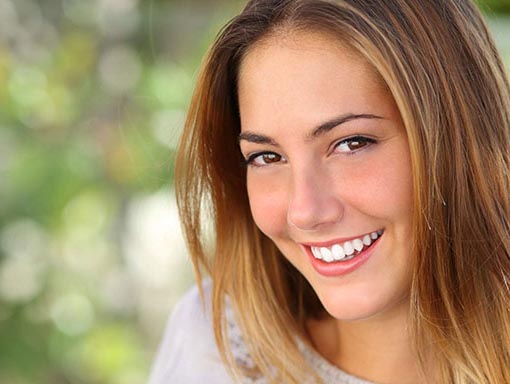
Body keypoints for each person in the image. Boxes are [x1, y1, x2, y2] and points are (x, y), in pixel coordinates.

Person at [148, 0, 510, 383]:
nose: (305, 211)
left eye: (352, 143)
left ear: (457, 141)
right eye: (267, 156)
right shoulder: (213, 349)